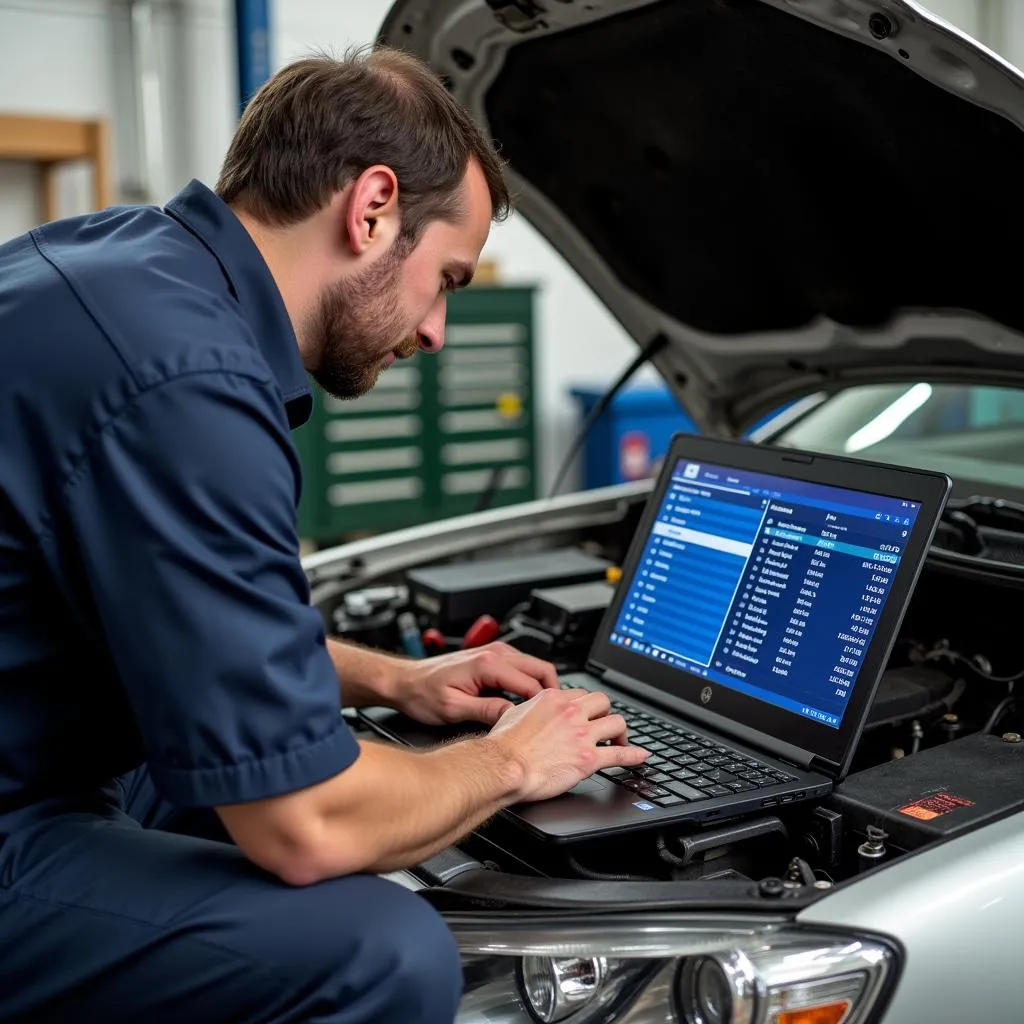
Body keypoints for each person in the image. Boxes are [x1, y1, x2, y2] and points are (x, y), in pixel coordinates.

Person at [0, 45, 649, 1024]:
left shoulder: (128, 265)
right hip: (19, 807)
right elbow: (303, 825)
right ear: (373, 206)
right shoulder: (189, 382)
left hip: (29, 747)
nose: (435, 333)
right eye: (447, 278)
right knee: (379, 953)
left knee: (219, 780)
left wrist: (394, 679)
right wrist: (511, 759)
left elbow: (178, 617)